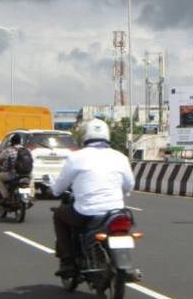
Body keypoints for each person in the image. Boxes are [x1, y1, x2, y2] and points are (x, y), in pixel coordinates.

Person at [51, 119, 135, 277]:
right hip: (116, 212)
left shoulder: (75, 158)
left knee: (59, 215)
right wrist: (124, 192)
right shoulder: (120, 157)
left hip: (86, 212)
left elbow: (59, 187)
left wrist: (55, 190)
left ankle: (68, 260)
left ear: (85, 136)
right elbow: (129, 185)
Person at [0, 133, 25, 204]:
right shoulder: (25, 150)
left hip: (13, 175)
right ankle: (31, 196)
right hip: (26, 174)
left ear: (11, 142)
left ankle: (6, 197)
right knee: (30, 180)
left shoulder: (8, 151)